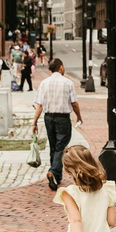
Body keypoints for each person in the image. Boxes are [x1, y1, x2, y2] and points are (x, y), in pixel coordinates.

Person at [32, 58, 82, 190]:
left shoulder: (44, 83)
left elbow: (39, 105)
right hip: (62, 118)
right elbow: (74, 103)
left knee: (54, 146)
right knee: (61, 146)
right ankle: (53, 171)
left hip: (48, 118)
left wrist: (34, 122)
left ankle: (56, 177)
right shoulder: (67, 83)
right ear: (60, 67)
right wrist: (78, 116)